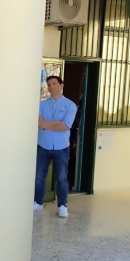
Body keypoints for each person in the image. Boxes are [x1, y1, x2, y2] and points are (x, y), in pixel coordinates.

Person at [34, 75, 77, 218]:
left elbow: (65, 126)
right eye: (49, 84)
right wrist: (56, 122)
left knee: (61, 178)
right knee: (40, 177)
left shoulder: (70, 105)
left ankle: (62, 206)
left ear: (61, 85)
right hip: (43, 146)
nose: (51, 86)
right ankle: (38, 203)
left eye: (53, 83)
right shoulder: (41, 105)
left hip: (61, 148)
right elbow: (39, 124)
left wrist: (46, 125)